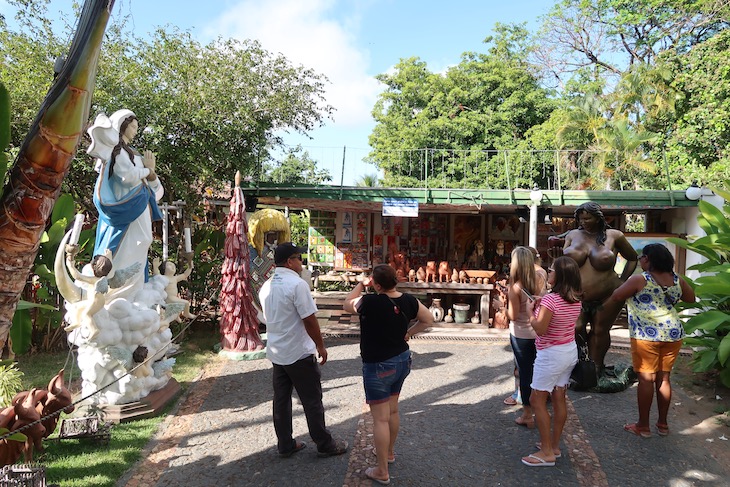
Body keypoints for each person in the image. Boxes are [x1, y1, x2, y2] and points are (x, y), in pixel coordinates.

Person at [343, 264, 433, 485]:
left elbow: (347, 304)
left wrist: (359, 285)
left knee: (380, 419)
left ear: (377, 283)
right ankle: (389, 452)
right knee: (393, 411)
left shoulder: (369, 302)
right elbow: (428, 319)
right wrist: (409, 333)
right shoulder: (409, 300)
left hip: (378, 365)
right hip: (402, 360)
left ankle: (382, 470)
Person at [258, 242, 348, 458]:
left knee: (281, 400)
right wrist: (320, 345)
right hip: (298, 351)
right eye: (299, 258)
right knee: (311, 399)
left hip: (277, 352)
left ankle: (285, 444)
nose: (301, 262)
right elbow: (309, 319)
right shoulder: (297, 285)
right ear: (290, 261)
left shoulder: (266, 285)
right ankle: (324, 443)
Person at [607, 244, 695, 437]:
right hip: (673, 334)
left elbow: (616, 296)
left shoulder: (640, 279)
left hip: (646, 336)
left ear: (647, 259)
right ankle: (663, 425)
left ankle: (643, 426)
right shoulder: (676, 279)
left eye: (641, 258)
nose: (639, 261)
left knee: (646, 379)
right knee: (664, 378)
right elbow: (691, 299)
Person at [87, 109, 164, 301]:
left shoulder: (134, 154)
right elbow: (127, 178)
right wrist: (147, 170)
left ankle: (135, 290)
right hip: (127, 210)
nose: (136, 131)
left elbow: (154, 189)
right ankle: (119, 292)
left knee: (144, 241)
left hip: (140, 206)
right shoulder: (119, 153)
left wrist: (151, 173)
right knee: (133, 242)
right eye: (133, 127)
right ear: (123, 127)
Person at [562, 201, 638, 372]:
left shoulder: (614, 235)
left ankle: (596, 367)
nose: (583, 222)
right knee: (576, 326)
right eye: (581, 219)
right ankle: (581, 362)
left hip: (608, 294)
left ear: (598, 218)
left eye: (587, 219)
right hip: (575, 293)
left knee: (600, 330)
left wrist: (623, 280)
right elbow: (562, 262)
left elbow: (633, 258)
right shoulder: (572, 235)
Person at [522, 256, 582, 467]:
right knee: (559, 398)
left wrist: (531, 312)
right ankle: (554, 446)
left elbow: (539, 328)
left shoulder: (550, 300)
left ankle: (547, 452)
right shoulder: (575, 298)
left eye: (552, 270)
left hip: (551, 355)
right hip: (568, 351)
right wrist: (541, 302)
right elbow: (557, 315)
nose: (549, 273)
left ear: (560, 276)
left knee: (536, 399)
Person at [504, 247, 542, 428]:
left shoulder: (515, 287)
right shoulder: (541, 279)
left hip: (521, 334)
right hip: (539, 332)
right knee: (538, 372)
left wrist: (499, 305)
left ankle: (528, 414)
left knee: (525, 372)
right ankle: (540, 408)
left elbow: (511, 315)